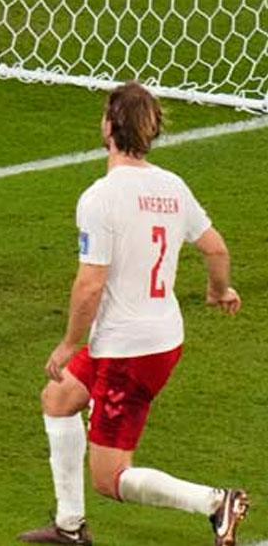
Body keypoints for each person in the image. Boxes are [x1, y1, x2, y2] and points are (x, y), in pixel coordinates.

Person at [18, 82, 248, 546]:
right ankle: (70, 527)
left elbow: (90, 285)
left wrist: (68, 344)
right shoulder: (172, 187)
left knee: (110, 476)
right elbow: (216, 249)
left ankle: (215, 502)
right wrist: (218, 290)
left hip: (130, 350)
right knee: (58, 398)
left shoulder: (101, 197)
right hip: (151, 337)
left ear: (109, 127)